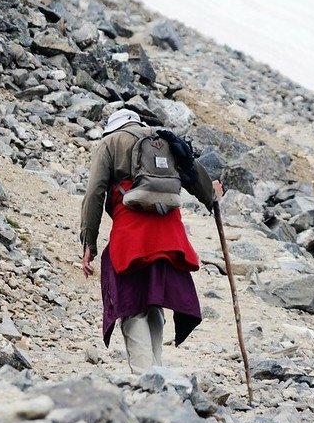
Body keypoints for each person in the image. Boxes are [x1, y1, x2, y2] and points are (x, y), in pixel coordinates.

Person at [80, 107, 223, 374]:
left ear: (112, 127)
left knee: (132, 306)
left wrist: (88, 242)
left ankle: (146, 377)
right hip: (170, 235)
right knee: (154, 301)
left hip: (132, 235)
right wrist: (212, 195)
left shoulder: (110, 143)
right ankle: (158, 370)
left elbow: (94, 193)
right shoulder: (164, 139)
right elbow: (194, 174)